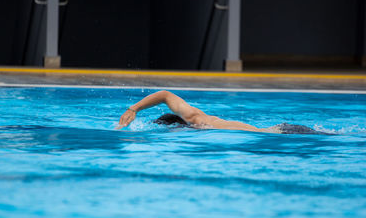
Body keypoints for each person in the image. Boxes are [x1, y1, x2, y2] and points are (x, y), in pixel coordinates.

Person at [117, 90, 328, 134]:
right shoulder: (200, 124)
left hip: (284, 132)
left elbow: (165, 94)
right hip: (281, 130)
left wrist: (133, 108)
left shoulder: (194, 119)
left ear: (176, 124)